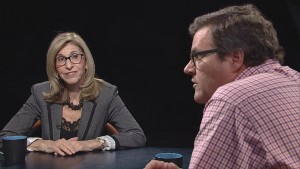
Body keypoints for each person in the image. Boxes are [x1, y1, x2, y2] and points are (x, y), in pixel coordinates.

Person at [145, 4, 300, 169]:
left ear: (235, 58)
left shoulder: (230, 100)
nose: (188, 68)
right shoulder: (294, 79)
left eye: (197, 56)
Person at [0, 32, 146, 156]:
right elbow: (4, 138)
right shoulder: (41, 93)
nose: (68, 65)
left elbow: (137, 135)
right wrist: (44, 145)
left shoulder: (106, 94)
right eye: (61, 59)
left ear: (86, 62)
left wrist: (92, 144)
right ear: (55, 67)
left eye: (75, 56)